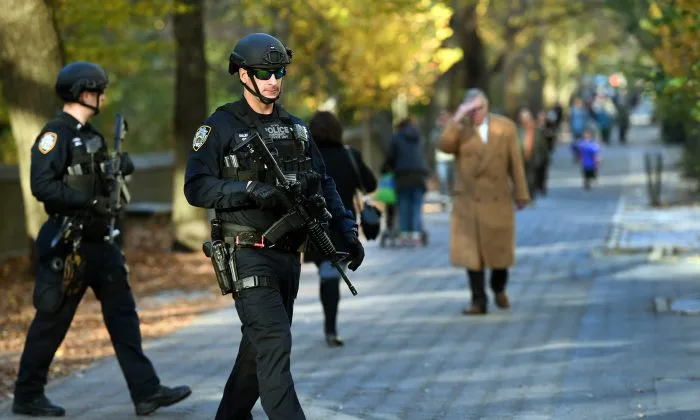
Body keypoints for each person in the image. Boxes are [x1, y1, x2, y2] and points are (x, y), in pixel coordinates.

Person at [183, 33, 364, 420]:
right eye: (264, 72)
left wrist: (347, 231)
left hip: (288, 258)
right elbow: (196, 187)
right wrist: (247, 190)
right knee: (275, 342)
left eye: (279, 71)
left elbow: (325, 182)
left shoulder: (297, 129)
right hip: (247, 254)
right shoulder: (221, 127)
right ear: (243, 74)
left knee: (257, 352)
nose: (273, 80)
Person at [12, 61, 191, 417]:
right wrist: (86, 200)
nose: (104, 96)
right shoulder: (55, 135)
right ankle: (27, 395)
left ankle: (146, 392)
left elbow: (100, 184)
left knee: (124, 317)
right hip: (69, 243)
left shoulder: (93, 135)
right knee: (52, 321)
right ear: (83, 93)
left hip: (102, 242)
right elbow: (42, 186)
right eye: (99, 90)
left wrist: (116, 168)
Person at [438, 88, 529, 315]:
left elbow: (515, 163)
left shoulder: (505, 127)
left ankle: (499, 288)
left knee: (500, 252)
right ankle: (478, 301)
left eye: (480, 108)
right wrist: (458, 117)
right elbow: (444, 146)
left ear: (487, 108)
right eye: (472, 109)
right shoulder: (460, 128)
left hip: (497, 198)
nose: (477, 113)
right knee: (472, 255)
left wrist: (521, 193)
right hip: (468, 200)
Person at [304, 111, 377, 347]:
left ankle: (330, 327)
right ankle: (330, 329)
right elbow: (370, 184)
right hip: (343, 226)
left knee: (327, 272)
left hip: (312, 225)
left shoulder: (306, 157)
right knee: (331, 272)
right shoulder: (349, 155)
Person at [382, 117, 429, 246]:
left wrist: (385, 169)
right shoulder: (419, 137)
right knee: (416, 206)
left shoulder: (397, 137)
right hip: (419, 175)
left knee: (404, 205)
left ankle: (405, 235)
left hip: (402, 175)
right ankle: (415, 234)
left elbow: (390, 157)